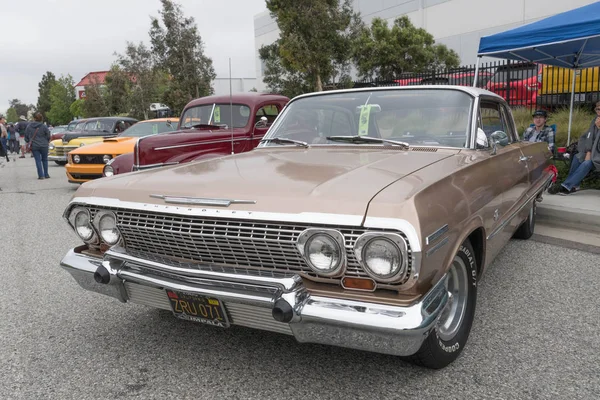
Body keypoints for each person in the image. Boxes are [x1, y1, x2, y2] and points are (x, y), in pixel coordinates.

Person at [548, 102, 600, 195]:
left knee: (587, 163)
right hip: (592, 152)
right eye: (598, 109)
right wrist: (588, 151)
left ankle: (566, 186)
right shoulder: (595, 120)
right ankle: (574, 185)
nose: (599, 112)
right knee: (577, 157)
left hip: (598, 155)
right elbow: (589, 137)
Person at [24, 112, 51, 179]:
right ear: (41, 119)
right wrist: (46, 141)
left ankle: (41, 175)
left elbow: (26, 137)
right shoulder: (44, 126)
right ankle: (46, 174)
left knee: (37, 160)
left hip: (34, 145)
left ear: (34, 118)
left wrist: (29, 142)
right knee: (45, 159)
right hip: (44, 145)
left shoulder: (29, 126)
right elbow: (48, 135)